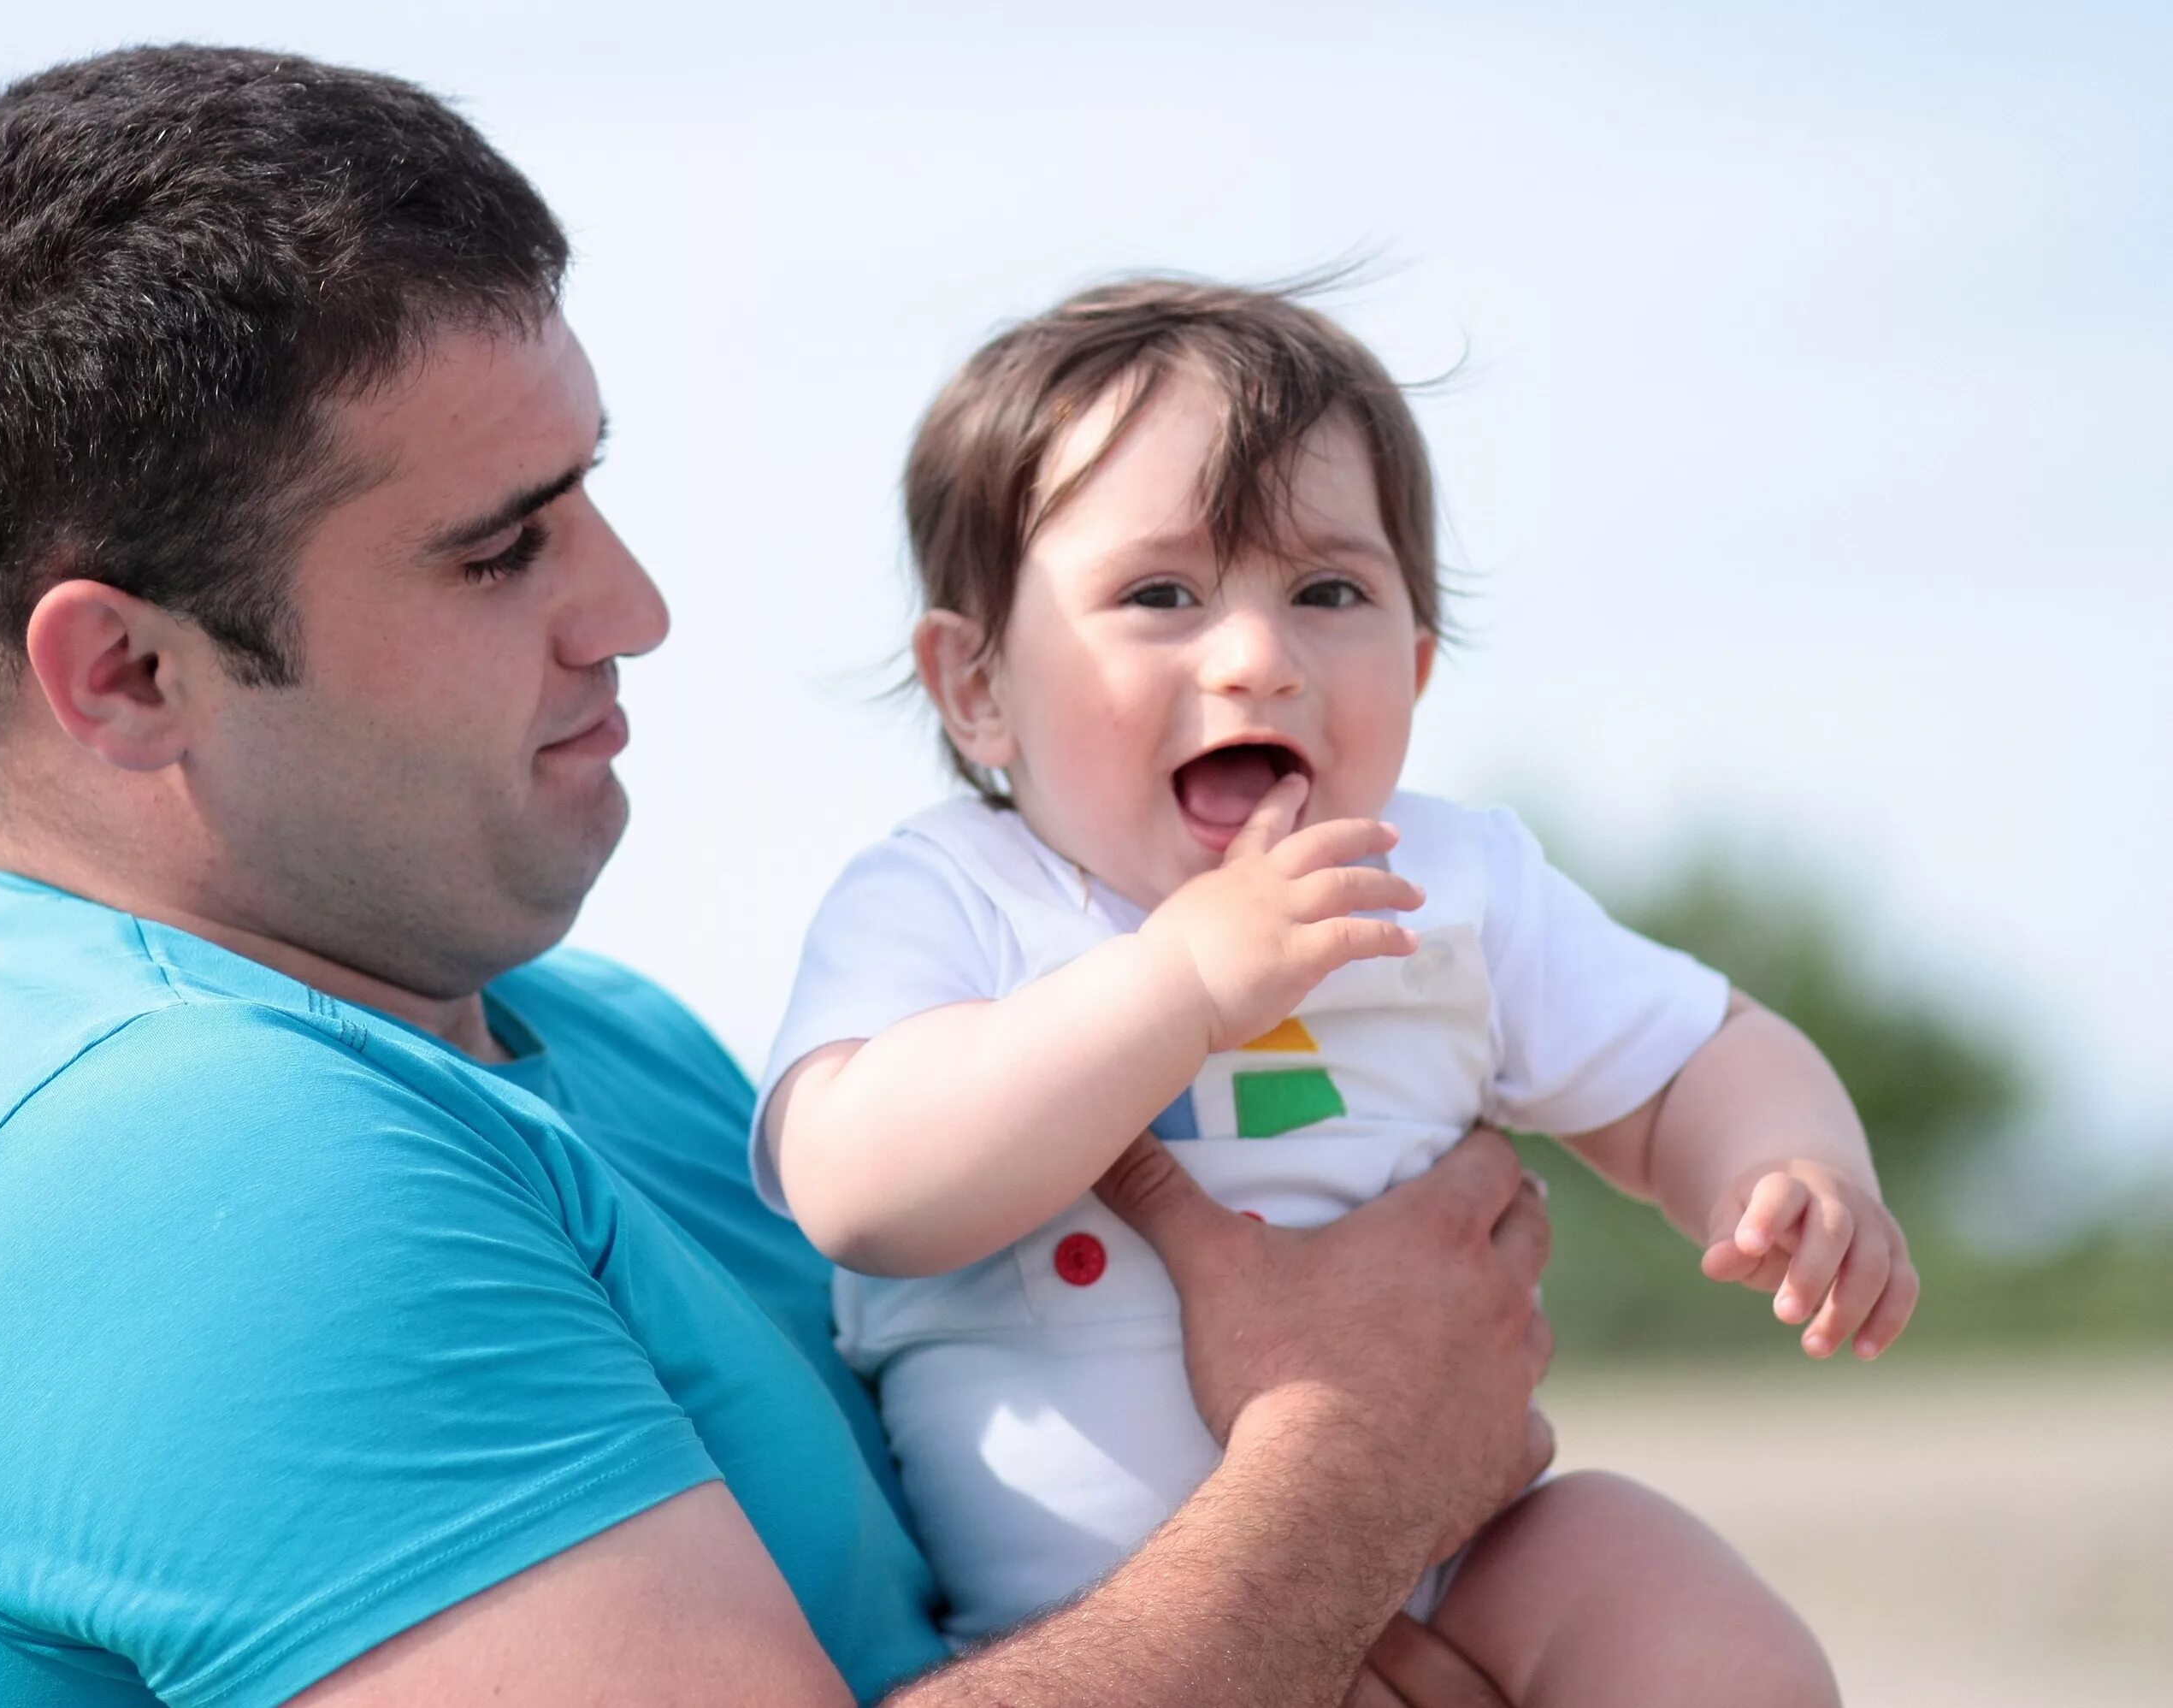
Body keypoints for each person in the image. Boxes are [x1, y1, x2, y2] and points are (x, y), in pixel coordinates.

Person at [0, 46, 1552, 1708]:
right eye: (501, 551)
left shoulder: (602, 1044)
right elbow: (1292, 1514)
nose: (633, 610)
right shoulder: (175, 1170)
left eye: (588, 494)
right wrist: (1346, 1471)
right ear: (127, 676)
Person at [756, 278, 1923, 1704]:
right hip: (1091, 1627)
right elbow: (860, 1182)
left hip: (1463, 1552)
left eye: (1329, 593)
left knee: (1674, 1596)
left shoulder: (1448, 881)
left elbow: (1700, 1050)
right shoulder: (947, 897)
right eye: (1161, 595)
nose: (1259, 657)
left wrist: (1789, 1163)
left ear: (1417, 667)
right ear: (977, 685)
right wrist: (1178, 980)